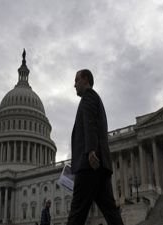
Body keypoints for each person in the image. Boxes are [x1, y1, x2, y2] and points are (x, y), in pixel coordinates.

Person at [66, 69, 124, 225]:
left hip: (89, 164)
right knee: (111, 212)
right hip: (100, 166)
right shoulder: (95, 98)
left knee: (77, 212)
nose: (74, 84)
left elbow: (90, 123)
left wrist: (91, 150)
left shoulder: (89, 96)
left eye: (76, 80)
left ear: (85, 79)